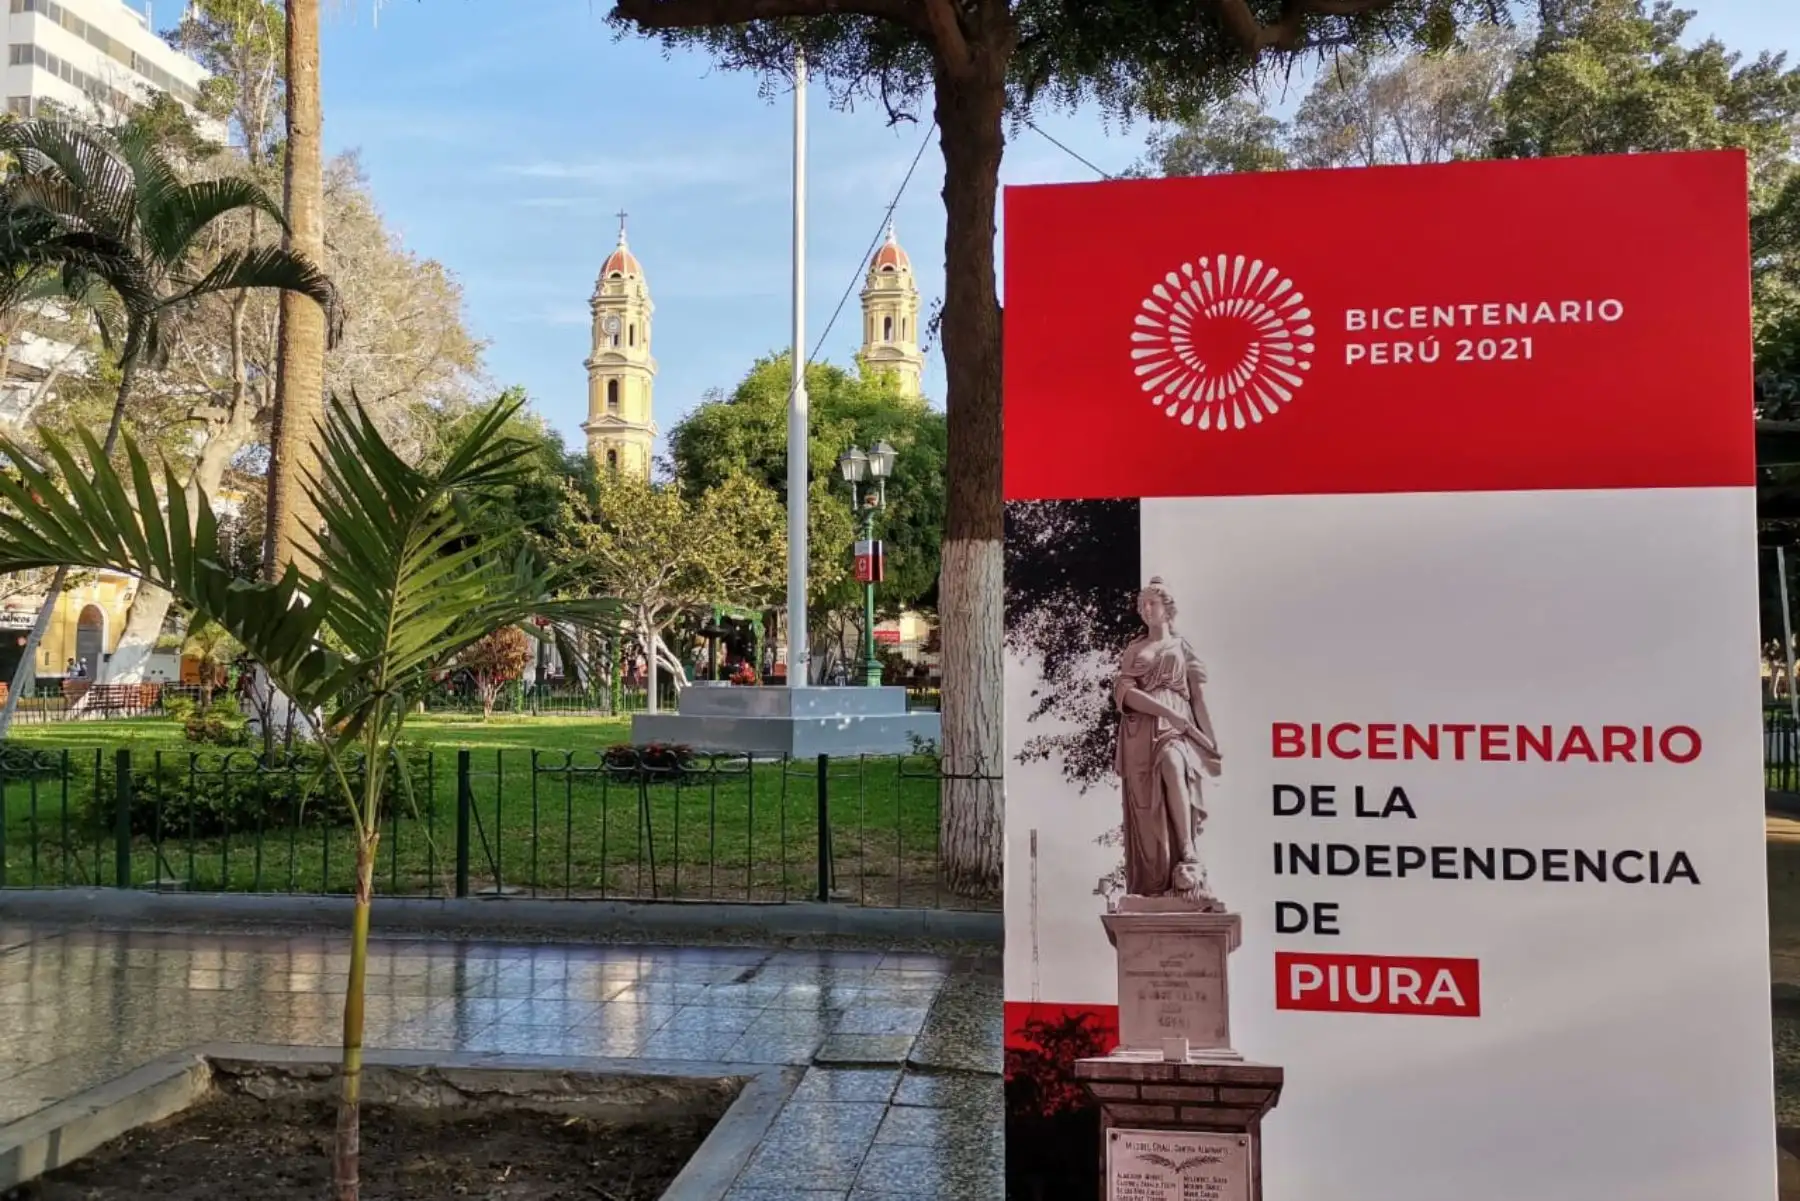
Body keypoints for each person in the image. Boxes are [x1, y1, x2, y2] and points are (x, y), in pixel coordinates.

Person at [1112, 577, 1222, 905]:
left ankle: (1187, 850)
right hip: (1141, 729)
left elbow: (1198, 699)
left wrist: (1210, 742)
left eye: (1152, 603)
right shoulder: (1134, 649)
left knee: (1175, 766)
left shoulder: (1181, 648)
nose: (1146, 610)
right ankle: (1154, 879)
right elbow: (1125, 694)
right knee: (1146, 806)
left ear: (1167, 608)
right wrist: (1165, 711)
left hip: (1178, 725)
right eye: (1142, 604)